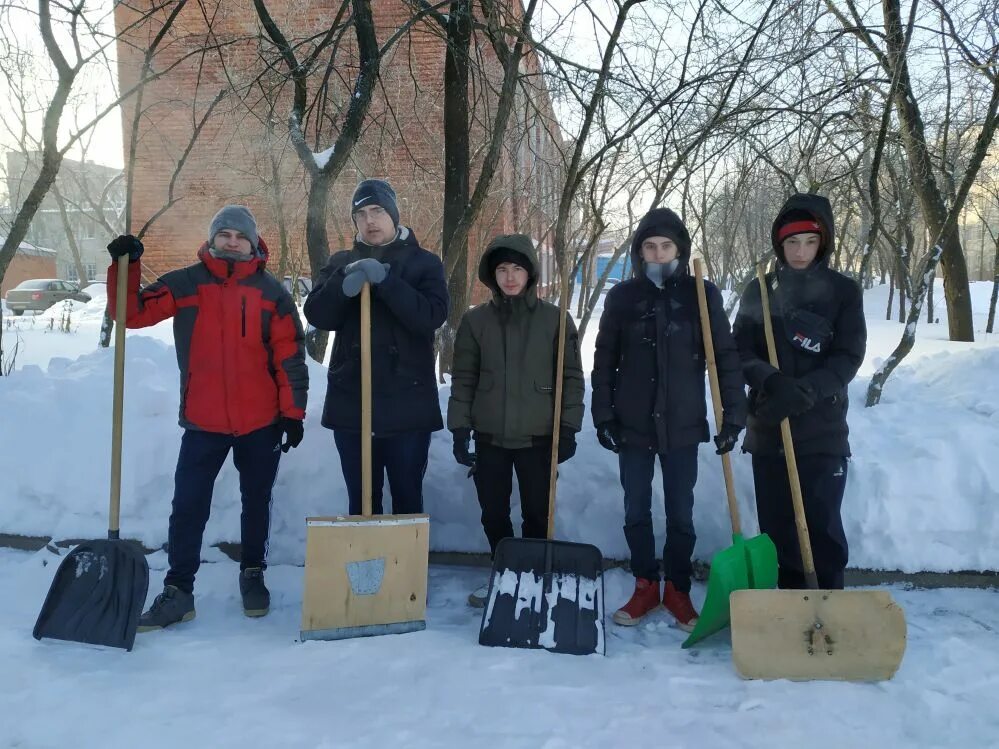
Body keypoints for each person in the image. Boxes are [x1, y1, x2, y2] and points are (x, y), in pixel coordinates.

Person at [105, 205, 308, 631]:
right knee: (188, 505)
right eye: (225, 234)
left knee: (257, 500)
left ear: (254, 243)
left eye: (241, 236)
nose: (232, 242)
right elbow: (132, 314)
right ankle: (179, 590)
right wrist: (126, 265)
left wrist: (292, 413)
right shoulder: (186, 284)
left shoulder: (272, 293)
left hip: (260, 421)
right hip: (203, 420)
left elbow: (289, 356)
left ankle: (253, 572)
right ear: (213, 238)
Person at [591, 207, 746, 630]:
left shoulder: (701, 294)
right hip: (632, 423)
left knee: (681, 510)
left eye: (666, 246)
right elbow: (604, 361)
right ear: (640, 252)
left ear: (680, 249)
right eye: (649, 247)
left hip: (682, 422)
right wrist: (603, 414)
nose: (658, 254)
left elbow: (725, 357)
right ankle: (645, 584)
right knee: (635, 506)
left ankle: (676, 588)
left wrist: (733, 413)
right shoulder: (623, 297)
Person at [732, 192, 865, 590]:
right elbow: (738, 349)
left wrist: (808, 389)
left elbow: (849, 355)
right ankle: (791, 608)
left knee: (821, 525)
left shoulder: (843, 291)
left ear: (822, 241)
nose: (800, 251)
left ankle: (829, 606)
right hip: (770, 424)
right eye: (792, 242)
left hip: (822, 429)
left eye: (809, 241)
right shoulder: (760, 289)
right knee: (778, 527)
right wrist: (772, 382)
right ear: (779, 243)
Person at [446, 235, 585, 607]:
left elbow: (571, 378)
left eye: (517, 268)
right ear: (493, 275)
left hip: (539, 436)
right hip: (490, 436)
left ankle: (535, 574)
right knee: (493, 512)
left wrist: (569, 427)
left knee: (538, 512)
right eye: (502, 269)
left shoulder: (555, 320)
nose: (510, 277)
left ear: (530, 274)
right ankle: (504, 570)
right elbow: (464, 379)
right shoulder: (476, 322)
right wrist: (460, 428)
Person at [303, 179, 448, 515]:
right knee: (363, 500)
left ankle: (404, 567)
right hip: (353, 403)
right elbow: (317, 313)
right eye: (361, 214)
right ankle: (366, 566)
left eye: (377, 211)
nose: (370, 220)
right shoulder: (341, 261)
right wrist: (343, 284)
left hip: (407, 404)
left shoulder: (424, 263)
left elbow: (431, 316)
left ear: (393, 214)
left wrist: (387, 283)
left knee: (407, 498)